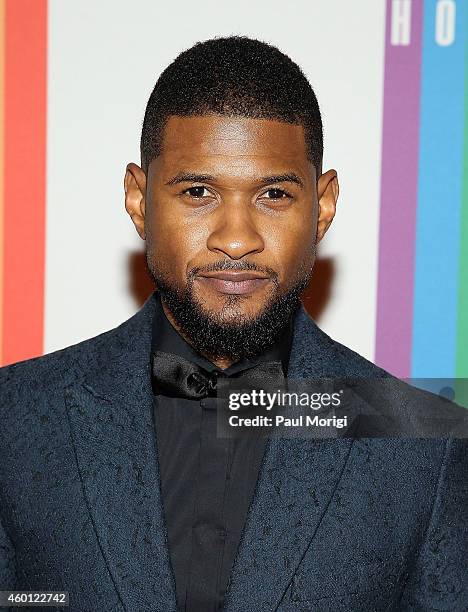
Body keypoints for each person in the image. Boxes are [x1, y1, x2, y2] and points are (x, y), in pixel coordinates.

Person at [0, 36, 466, 612]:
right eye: (198, 192)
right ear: (139, 199)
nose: (237, 238)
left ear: (322, 207)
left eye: (273, 194)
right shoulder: (14, 417)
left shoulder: (426, 444)